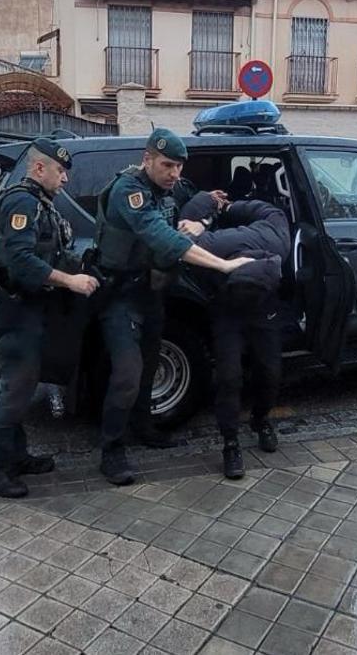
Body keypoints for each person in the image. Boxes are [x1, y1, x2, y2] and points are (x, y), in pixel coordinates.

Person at [92, 128, 252, 486]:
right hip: (120, 296)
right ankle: (111, 449)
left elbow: (189, 194)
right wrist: (222, 264)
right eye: (167, 165)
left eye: (178, 166)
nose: (174, 173)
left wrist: (209, 201)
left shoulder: (170, 185)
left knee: (149, 365)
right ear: (147, 159)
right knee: (127, 373)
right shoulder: (128, 190)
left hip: (152, 293)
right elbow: (161, 237)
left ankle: (143, 426)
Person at [0, 138, 99, 498]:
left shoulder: (39, 203)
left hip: (27, 308)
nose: (65, 180)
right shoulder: (20, 201)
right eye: (60, 171)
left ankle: (16, 456)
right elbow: (21, 260)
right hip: (15, 311)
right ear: (39, 168)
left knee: (23, 385)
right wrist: (69, 281)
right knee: (16, 392)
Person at [179, 192, 289, 478]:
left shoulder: (206, 241)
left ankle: (261, 419)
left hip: (264, 310)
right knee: (229, 377)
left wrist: (210, 214)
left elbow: (184, 230)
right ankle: (230, 443)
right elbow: (259, 207)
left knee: (270, 371)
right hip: (227, 311)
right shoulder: (272, 226)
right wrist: (220, 209)